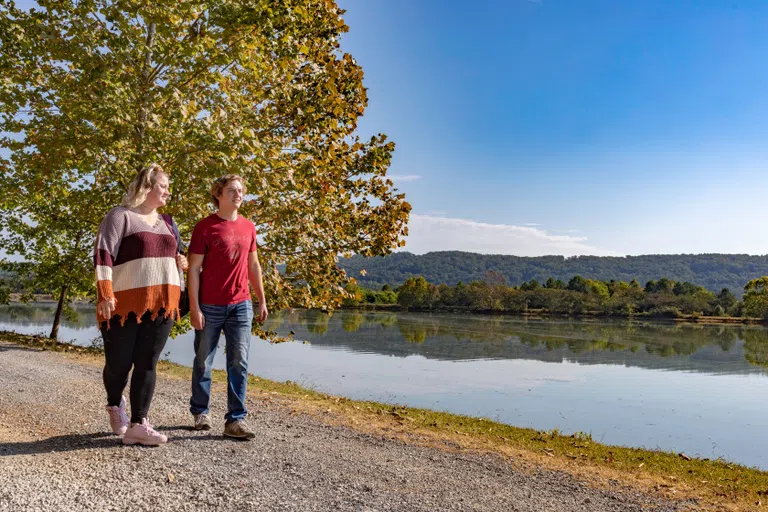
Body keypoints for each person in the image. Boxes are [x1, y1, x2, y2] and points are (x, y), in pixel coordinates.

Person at [95, 164, 187, 446]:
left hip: (162, 304)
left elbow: (179, 254)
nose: (168, 192)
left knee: (147, 362)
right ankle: (114, 404)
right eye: (163, 186)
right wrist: (105, 293)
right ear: (146, 186)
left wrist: (181, 261)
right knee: (118, 364)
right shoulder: (120, 216)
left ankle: (138, 424)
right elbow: (103, 255)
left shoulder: (169, 222)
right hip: (123, 306)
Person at [188, 174, 268, 439]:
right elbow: (194, 269)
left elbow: (253, 266)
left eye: (241, 190)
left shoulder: (249, 227)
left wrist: (261, 300)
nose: (239, 194)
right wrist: (195, 307)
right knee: (203, 360)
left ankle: (235, 420)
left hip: (240, 305)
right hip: (209, 306)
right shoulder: (205, 227)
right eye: (233, 190)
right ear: (218, 194)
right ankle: (201, 412)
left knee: (239, 362)